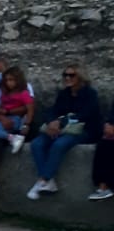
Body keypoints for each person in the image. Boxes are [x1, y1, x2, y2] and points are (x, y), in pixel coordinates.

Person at [27, 64, 103, 200]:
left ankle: (43, 180)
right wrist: (51, 122)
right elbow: (53, 110)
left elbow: (85, 114)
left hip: (83, 130)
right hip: (62, 129)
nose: (68, 78)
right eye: (65, 75)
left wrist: (60, 122)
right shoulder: (64, 94)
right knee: (37, 144)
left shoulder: (90, 94)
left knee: (59, 144)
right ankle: (48, 181)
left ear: (80, 77)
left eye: (72, 75)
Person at [0, 66, 36, 178]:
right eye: (7, 80)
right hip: (3, 118)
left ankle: (11, 137)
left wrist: (26, 125)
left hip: (15, 120)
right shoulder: (6, 93)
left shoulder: (23, 93)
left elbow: (30, 109)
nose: (9, 83)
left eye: (11, 80)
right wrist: (0, 112)